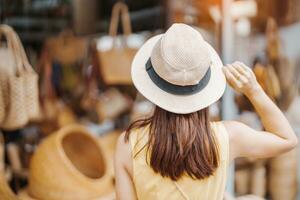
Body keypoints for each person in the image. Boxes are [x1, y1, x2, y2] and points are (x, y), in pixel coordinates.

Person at [114, 23, 298, 200]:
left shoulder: (127, 145)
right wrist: (254, 90)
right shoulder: (228, 136)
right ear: (205, 86)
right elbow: (287, 139)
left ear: (154, 84)